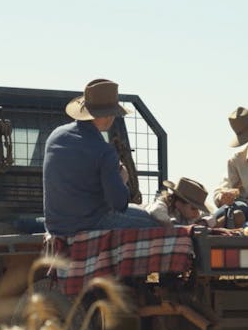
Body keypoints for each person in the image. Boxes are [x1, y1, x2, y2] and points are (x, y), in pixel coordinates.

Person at [42, 79, 160, 235]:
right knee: (153, 222)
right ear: (108, 115)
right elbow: (119, 204)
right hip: (87, 223)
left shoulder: (56, 135)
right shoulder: (104, 151)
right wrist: (122, 179)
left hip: (55, 225)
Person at [145, 177, 214, 228]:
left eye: (198, 209)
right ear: (178, 204)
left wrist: (204, 222)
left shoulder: (191, 214)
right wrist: (175, 228)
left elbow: (212, 218)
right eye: (193, 208)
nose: (197, 214)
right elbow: (156, 211)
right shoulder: (162, 205)